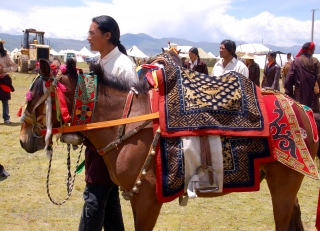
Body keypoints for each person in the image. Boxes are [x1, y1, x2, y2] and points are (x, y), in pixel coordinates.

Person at [79, 15, 138, 231]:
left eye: (92, 33)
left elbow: (133, 110)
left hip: (112, 145)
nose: (88, 37)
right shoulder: (97, 64)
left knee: (94, 198)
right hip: (96, 143)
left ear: (107, 35)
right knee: (108, 200)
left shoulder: (123, 65)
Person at [285, 42, 320, 112]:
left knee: (299, 118)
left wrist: (290, 95)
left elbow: (288, 80)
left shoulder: (295, 61)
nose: (313, 52)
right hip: (312, 97)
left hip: (298, 96)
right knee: (312, 118)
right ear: (310, 50)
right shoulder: (315, 61)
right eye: (313, 50)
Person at [0, 39, 17, 124]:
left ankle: (6, 118)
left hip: (4, 80)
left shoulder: (6, 56)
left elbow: (14, 66)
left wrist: (3, 70)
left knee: (5, 100)